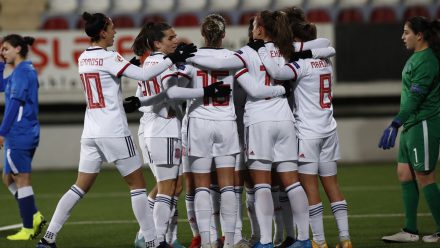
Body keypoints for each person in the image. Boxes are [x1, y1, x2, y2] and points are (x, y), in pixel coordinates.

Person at [36, 12, 196, 248]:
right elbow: (142, 74)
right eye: (111, 28)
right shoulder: (109, 57)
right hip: (114, 129)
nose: (115, 32)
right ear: (102, 32)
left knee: (79, 186)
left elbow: (109, 73)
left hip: (90, 130)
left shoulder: (83, 57)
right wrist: (173, 58)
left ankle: (48, 238)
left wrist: (127, 64)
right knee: (138, 186)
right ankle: (153, 241)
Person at [253, 17, 350, 248]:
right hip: (329, 129)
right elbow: (327, 46)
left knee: (310, 188)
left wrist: (266, 50)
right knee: (333, 186)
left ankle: (318, 241)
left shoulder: (300, 65)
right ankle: (345, 239)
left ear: (295, 39)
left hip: (308, 132)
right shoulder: (326, 61)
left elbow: (276, 71)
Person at [379, 16, 440, 244]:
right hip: (411, 125)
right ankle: (410, 230)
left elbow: (415, 99)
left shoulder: (427, 61)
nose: (403, 37)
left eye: (406, 32)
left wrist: (396, 122)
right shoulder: (417, 58)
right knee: (404, 173)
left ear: (420, 35)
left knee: (426, 177)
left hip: (423, 124)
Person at [0, 34, 46, 241]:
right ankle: (33, 215)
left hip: (19, 132)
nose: (3, 52)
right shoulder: (24, 70)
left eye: (6, 49)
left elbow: (13, 105)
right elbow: (2, 86)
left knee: (22, 179)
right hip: (26, 130)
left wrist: (2, 131)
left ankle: (28, 226)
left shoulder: (22, 73)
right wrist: (1, 64)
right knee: (8, 177)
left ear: (18, 49)